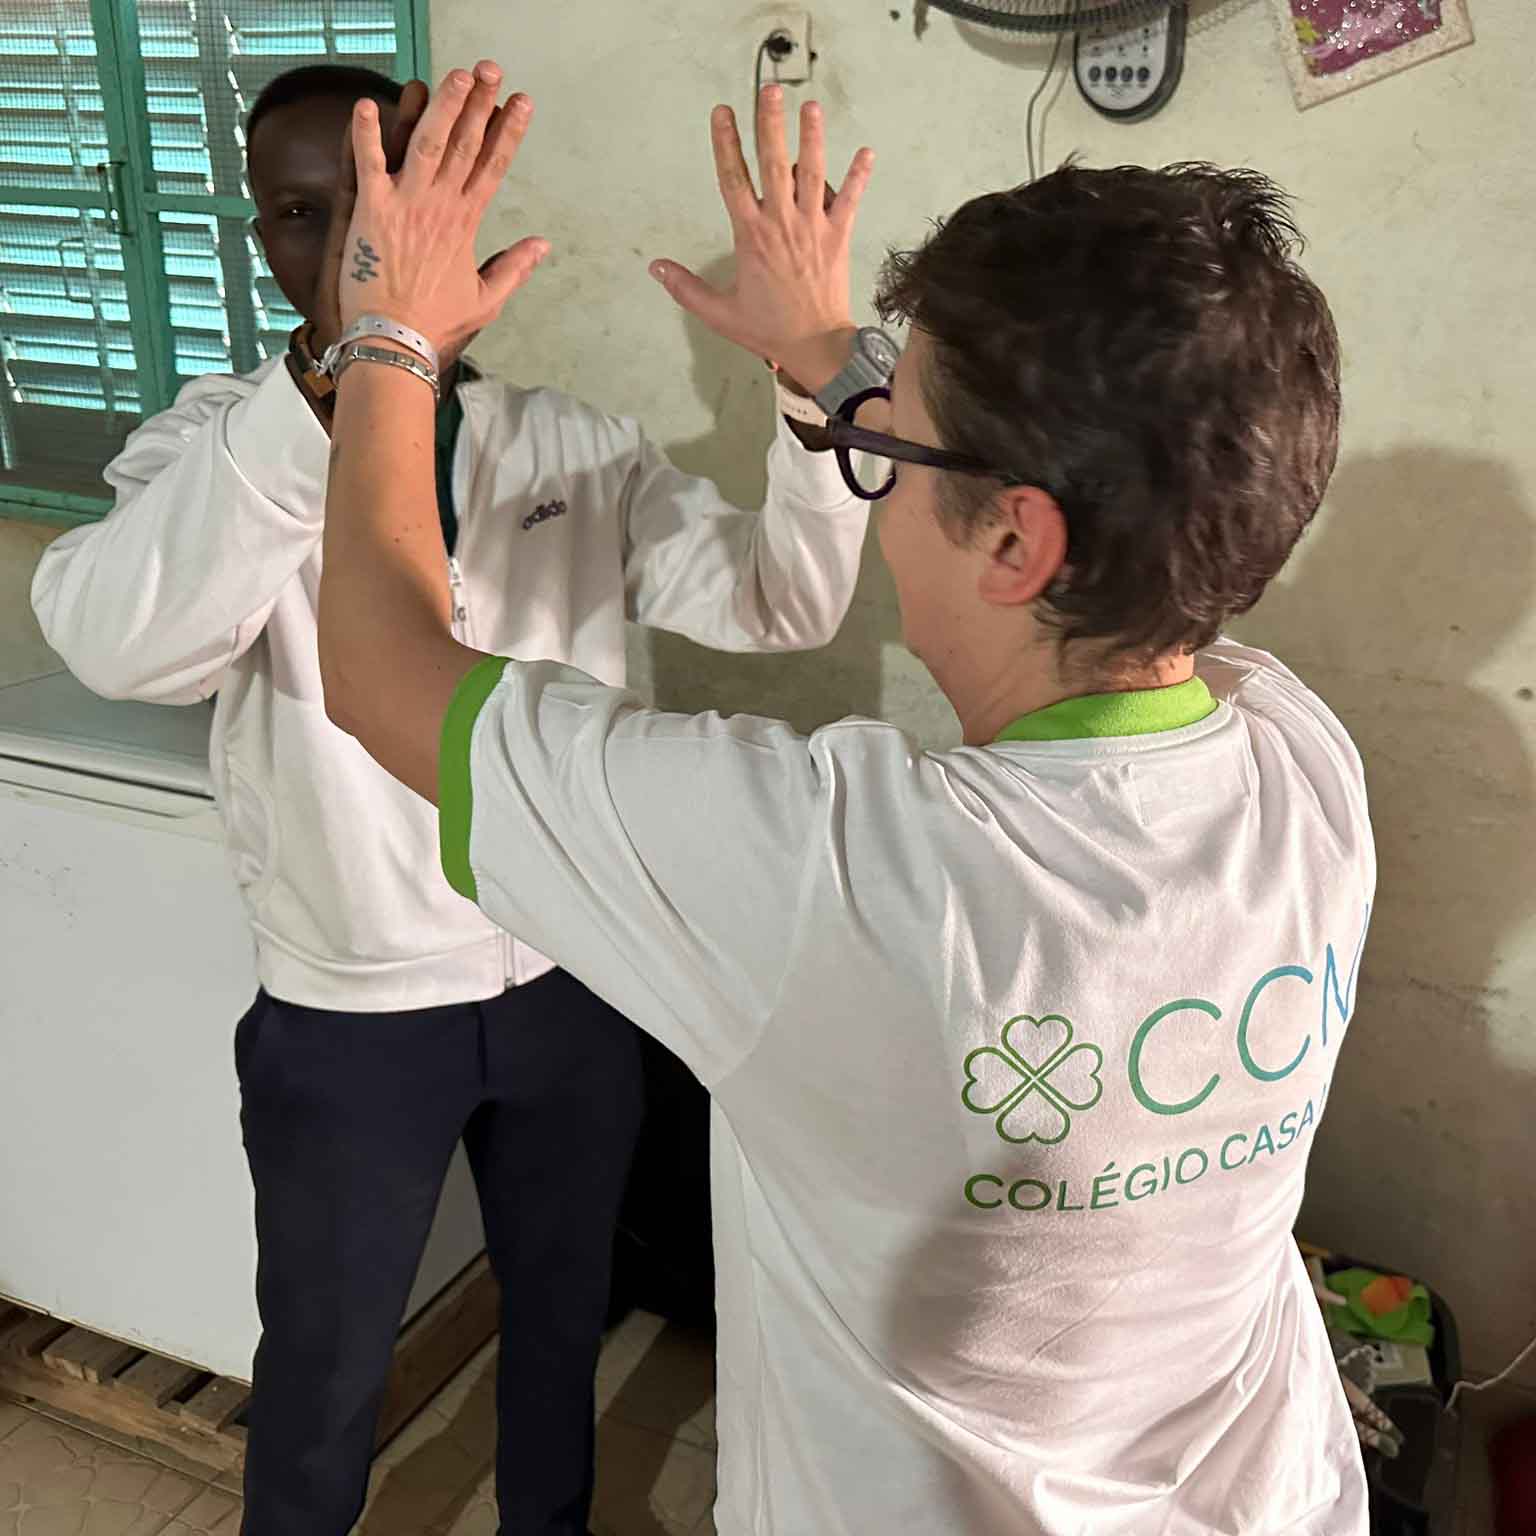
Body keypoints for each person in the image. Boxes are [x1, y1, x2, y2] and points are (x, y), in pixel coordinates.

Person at [317, 61, 1372, 1536]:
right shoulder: (1299, 758)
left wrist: (386, 337)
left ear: (1014, 541)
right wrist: (831, 358)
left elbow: (377, 672)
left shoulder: (834, 873)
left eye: (895, 441)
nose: (865, 454)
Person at [31, 62, 872, 1536]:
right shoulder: (214, 446)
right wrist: (349, 375)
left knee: (560, 1315)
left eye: (383, 203)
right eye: (306, 214)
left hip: (572, 981)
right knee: (325, 1366)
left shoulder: (570, 446)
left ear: (458, 209)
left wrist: (818, 377)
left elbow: (783, 598)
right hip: (348, 1013)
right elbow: (119, 644)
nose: (354, 246)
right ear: (260, 237)